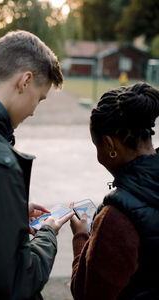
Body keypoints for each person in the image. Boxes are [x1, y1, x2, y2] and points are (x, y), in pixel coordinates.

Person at [0, 30, 74, 300]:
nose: (34, 110)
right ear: (25, 81)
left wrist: (10, 214)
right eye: (40, 97)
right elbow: (17, 282)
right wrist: (48, 234)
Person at [70, 82, 159, 299]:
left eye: (96, 146)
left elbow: (88, 294)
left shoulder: (116, 218)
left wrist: (82, 236)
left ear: (109, 145)